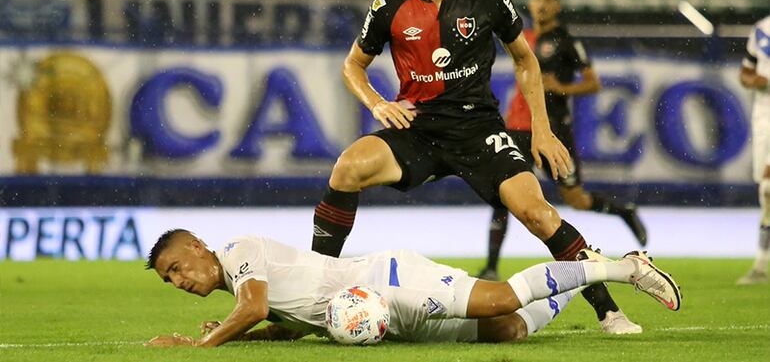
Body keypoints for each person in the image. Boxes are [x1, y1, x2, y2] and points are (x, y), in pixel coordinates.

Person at [309, 0, 641, 334]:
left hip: (478, 129)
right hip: (419, 129)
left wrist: (542, 129)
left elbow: (525, 60)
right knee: (347, 168)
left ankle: (609, 312)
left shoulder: (487, 0)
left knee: (538, 213)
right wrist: (377, 104)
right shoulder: (389, 6)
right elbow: (353, 65)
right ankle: (312, 294)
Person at [144, 229, 681, 347]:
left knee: (499, 297)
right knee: (510, 329)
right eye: (170, 280)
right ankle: (573, 279)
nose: (179, 282)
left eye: (176, 267)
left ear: (196, 246)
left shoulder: (239, 252)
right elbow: (286, 325)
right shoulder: (242, 289)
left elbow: (255, 307)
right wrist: (239, 336)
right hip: (376, 314)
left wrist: (200, 346)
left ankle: (626, 269)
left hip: (385, 281)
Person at [478, 0, 648, 282]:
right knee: (504, 193)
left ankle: (624, 211)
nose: (541, 4)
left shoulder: (567, 41)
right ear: (530, 4)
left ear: (557, 6)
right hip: (518, 130)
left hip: (552, 131)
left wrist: (562, 87)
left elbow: (593, 83)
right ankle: (491, 267)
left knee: (575, 198)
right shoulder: (521, 37)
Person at [736, 14, 770, 285]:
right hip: (763, 117)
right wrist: (753, 80)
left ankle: (760, 263)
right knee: (765, 192)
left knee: (768, 188)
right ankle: (761, 264)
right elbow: (745, 72)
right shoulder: (761, 29)